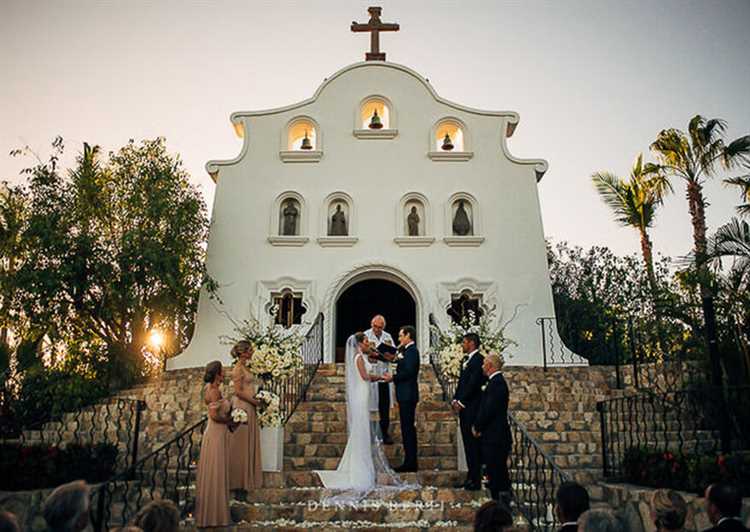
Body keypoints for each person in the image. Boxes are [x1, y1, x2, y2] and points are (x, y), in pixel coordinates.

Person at [315, 332, 395, 490]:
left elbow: (373, 359)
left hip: (364, 394)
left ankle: (363, 464)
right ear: (359, 343)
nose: (368, 343)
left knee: (362, 428)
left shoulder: (363, 356)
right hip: (360, 395)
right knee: (360, 428)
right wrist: (380, 378)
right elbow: (365, 376)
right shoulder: (358, 358)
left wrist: (379, 354)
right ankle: (358, 468)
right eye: (366, 341)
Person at [195, 361, 236, 528]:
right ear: (218, 373)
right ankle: (214, 516)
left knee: (216, 470)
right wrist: (231, 421)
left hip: (217, 433)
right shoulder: (213, 391)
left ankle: (213, 513)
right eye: (222, 370)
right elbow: (214, 415)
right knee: (215, 470)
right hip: (216, 433)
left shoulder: (211, 389)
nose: (225, 372)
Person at [472, 353, 511, 503]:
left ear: (489, 366)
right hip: (493, 436)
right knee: (495, 472)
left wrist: (477, 426)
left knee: (497, 473)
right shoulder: (495, 382)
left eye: (483, 364)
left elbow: (489, 409)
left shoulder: (497, 383)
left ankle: (501, 504)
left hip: (496, 437)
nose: (482, 366)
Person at [382, 325, 420, 472]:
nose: (399, 339)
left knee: (408, 428)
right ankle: (410, 461)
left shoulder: (412, 351)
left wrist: (393, 377)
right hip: (404, 394)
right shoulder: (404, 351)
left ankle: (411, 462)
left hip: (408, 394)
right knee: (406, 428)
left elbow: (410, 372)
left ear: (408, 335)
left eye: (401, 335)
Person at [451, 332, 487, 491]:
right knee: (467, 444)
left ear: (472, 343)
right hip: (465, 409)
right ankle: (471, 477)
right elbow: (462, 383)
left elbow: (473, 384)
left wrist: (462, 401)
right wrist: (455, 398)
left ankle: (476, 479)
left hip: (472, 409)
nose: (462, 345)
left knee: (473, 445)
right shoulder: (466, 360)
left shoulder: (479, 360)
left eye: (464, 342)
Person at [228, 340, 263, 493]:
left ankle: (247, 478)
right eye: (249, 350)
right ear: (243, 352)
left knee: (247, 442)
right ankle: (237, 480)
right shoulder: (237, 369)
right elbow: (237, 391)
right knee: (240, 444)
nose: (251, 352)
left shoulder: (245, 367)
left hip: (249, 405)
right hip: (243, 406)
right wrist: (254, 401)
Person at [364, 314, 395, 444]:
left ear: (383, 327)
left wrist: (388, 355)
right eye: (374, 326)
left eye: (379, 327)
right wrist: (372, 354)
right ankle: (370, 432)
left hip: (384, 376)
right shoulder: (366, 335)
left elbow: (393, 353)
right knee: (369, 405)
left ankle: (384, 432)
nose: (376, 329)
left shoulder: (387, 337)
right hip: (372, 374)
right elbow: (361, 351)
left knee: (384, 406)